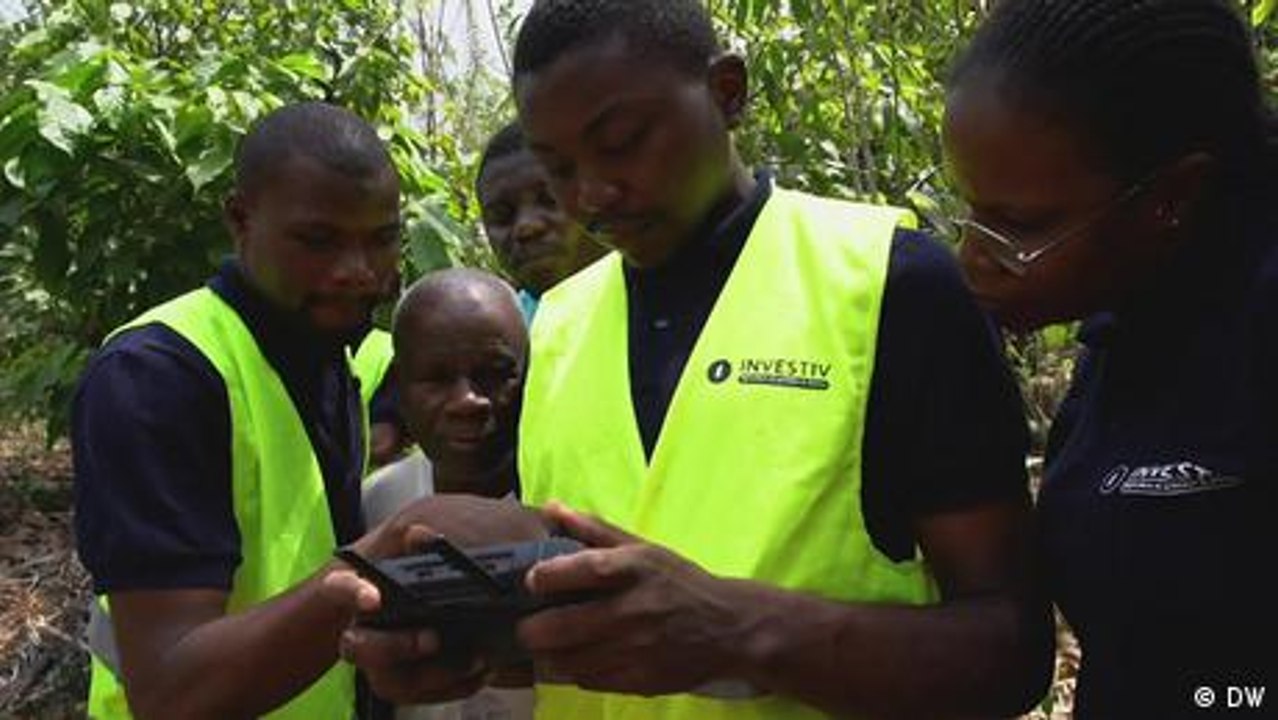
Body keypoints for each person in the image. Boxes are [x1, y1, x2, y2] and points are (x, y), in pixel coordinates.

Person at [338, 1, 1055, 718]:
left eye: (623, 141)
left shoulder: (892, 286)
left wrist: (740, 633)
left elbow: (1011, 651)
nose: (591, 194)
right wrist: (466, 652)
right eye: (558, 167)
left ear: (727, 91)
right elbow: (607, 636)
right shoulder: (555, 325)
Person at [945, 0, 1278, 717]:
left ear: (1172, 197)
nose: (974, 258)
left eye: (1020, 227)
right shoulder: (1127, 323)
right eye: (971, 213)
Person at [73, 101, 414, 719]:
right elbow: (173, 694)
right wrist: (382, 561)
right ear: (240, 220)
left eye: (382, 238)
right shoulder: (158, 376)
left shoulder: (334, 355)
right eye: (318, 240)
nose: (357, 271)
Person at [361, 268, 535, 720]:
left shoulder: (565, 501)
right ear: (399, 389)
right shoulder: (376, 507)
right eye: (437, 378)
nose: (468, 401)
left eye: (495, 375)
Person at [476, 120, 606, 322]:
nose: (526, 228)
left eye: (551, 200)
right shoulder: (498, 338)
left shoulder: (663, 303)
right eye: (502, 216)